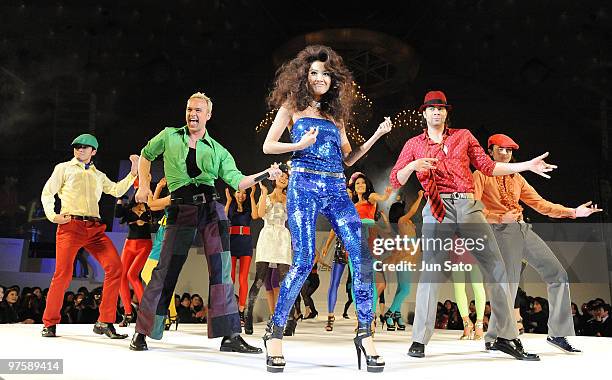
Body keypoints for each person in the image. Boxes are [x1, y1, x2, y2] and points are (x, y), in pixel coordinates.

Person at [390, 90, 556, 361]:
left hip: (467, 205)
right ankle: (419, 340)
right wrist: (413, 166)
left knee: (497, 268)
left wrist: (526, 166)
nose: (436, 112)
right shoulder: (412, 145)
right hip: (436, 208)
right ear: (423, 113)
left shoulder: (463, 136)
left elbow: (488, 167)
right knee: (431, 273)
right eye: (431, 108)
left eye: (441, 108)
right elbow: (396, 180)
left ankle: (506, 337)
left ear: (446, 113)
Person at [262, 45, 391, 372]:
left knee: (361, 258)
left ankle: (365, 333)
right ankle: (275, 332)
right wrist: (298, 145)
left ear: (334, 79)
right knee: (304, 259)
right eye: (314, 72)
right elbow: (268, 145)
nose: (320, 78)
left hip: (336, 187)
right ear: (304, 76)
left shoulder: (336, 115)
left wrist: (375, 136)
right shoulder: (293, 105)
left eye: (325, 73)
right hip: (303, 185)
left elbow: (347, 158)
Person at [129, 91, 280, 354]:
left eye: (198, 110)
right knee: (165, 269)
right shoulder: (168, 135)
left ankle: (230, 336)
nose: (192, 114)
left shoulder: (218, 150)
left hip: (211, 208)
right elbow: (145, 155)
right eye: (189, 109)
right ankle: (142, 331)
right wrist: (144, 184)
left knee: (222, 271)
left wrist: (266, 173)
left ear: (208, 115)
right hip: (180, 208)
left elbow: (238, 180)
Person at [474, 133, 602, 352]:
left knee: (558, 274)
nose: (505, 153)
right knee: (508, 285)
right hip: (500, 231)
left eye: (509, 150)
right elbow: (472, 207)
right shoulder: (480, 175)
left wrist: (573, 212)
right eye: (500, 149)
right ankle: (495, 336)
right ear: (490, 151)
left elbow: (541, 205)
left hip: (522, 228)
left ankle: (558, 334)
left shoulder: (517, 178)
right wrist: (496, 217)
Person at [40, 133, 138, 338]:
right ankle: (49, 323)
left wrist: (133, 173)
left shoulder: (98, 174)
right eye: (77, 146)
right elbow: (47, 192)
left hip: (94, 228)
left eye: (85, 147)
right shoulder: (63, 168)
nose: (80, 149)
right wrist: (53, 216)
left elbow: (116, 189)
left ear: (94, 151)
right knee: (63, 274)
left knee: (115, 268)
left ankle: (105, 321)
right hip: (71, 226)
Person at [244, 172, 292, 335]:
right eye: (281, 176)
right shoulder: (267, 195)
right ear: (274, 179)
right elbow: (259, 214)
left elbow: (293, 217)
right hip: (267, 235)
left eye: (286, 177)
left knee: (285, 280)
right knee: (260, 278)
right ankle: (248, 316)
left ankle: (287, 319)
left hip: (283, 237)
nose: (284, 179)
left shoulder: (289, 198)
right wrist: (263, 194)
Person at [382, 190, 423, 331]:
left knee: (401, 288)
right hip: (405, 257)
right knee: (405, 289)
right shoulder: (402, 221)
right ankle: (389, 314)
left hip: (408, 257)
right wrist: (420, 197)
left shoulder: (404, 222)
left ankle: (397, 315)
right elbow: (412, 211)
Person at [115, 179, 154, 327]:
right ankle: (128, 312)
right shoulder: (128, 207)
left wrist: (152, 194)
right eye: (138, 188)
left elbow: (157, 217)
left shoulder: (150, 206)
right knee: (121, 277)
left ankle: (146, 312)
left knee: (132, 275)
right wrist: (119, 198)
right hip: (129, 244)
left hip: (144, 244)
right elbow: (118, 214)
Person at [225, 184, 258, 326]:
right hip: (232, 243)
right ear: (234, 193)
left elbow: (256, 216)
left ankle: (241, 311)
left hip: (245, 244)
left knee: (243, 278)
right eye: (239, 192)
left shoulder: (249, 206)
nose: (241, 195)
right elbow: (224, 218)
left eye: (244, 193)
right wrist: (227, 201)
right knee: (230, 278)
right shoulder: (230, 206)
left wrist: (252, 196)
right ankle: (229, 309)